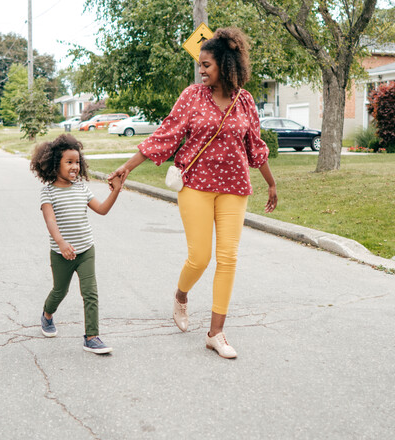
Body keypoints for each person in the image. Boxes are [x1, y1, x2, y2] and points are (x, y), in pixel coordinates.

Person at [108, 27, 278, 359]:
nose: (201, 70)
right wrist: (128, 167)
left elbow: (255, 147)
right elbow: (165, 135)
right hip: (195, 186)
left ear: (227, 66)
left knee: (228, 258)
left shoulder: (244, 101)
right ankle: (181, 295)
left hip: (234, 188)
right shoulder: (192, 96)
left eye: (207, 65)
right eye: (200, 64)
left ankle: (216, 333)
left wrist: (271, 183)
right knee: (200, 257)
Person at [30, 134, 122, 354]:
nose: (74, 166)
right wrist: (61, 242)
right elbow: (50, 220)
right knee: (60, 291)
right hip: (61, 253)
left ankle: (92, 337)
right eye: (69, 162)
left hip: (85, 250)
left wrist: (116, 190)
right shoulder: (48, 192)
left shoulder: (81, 188)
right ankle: (47, 315)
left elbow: (101, 209)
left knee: (90, 292)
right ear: (55, 165)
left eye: (77, 162)